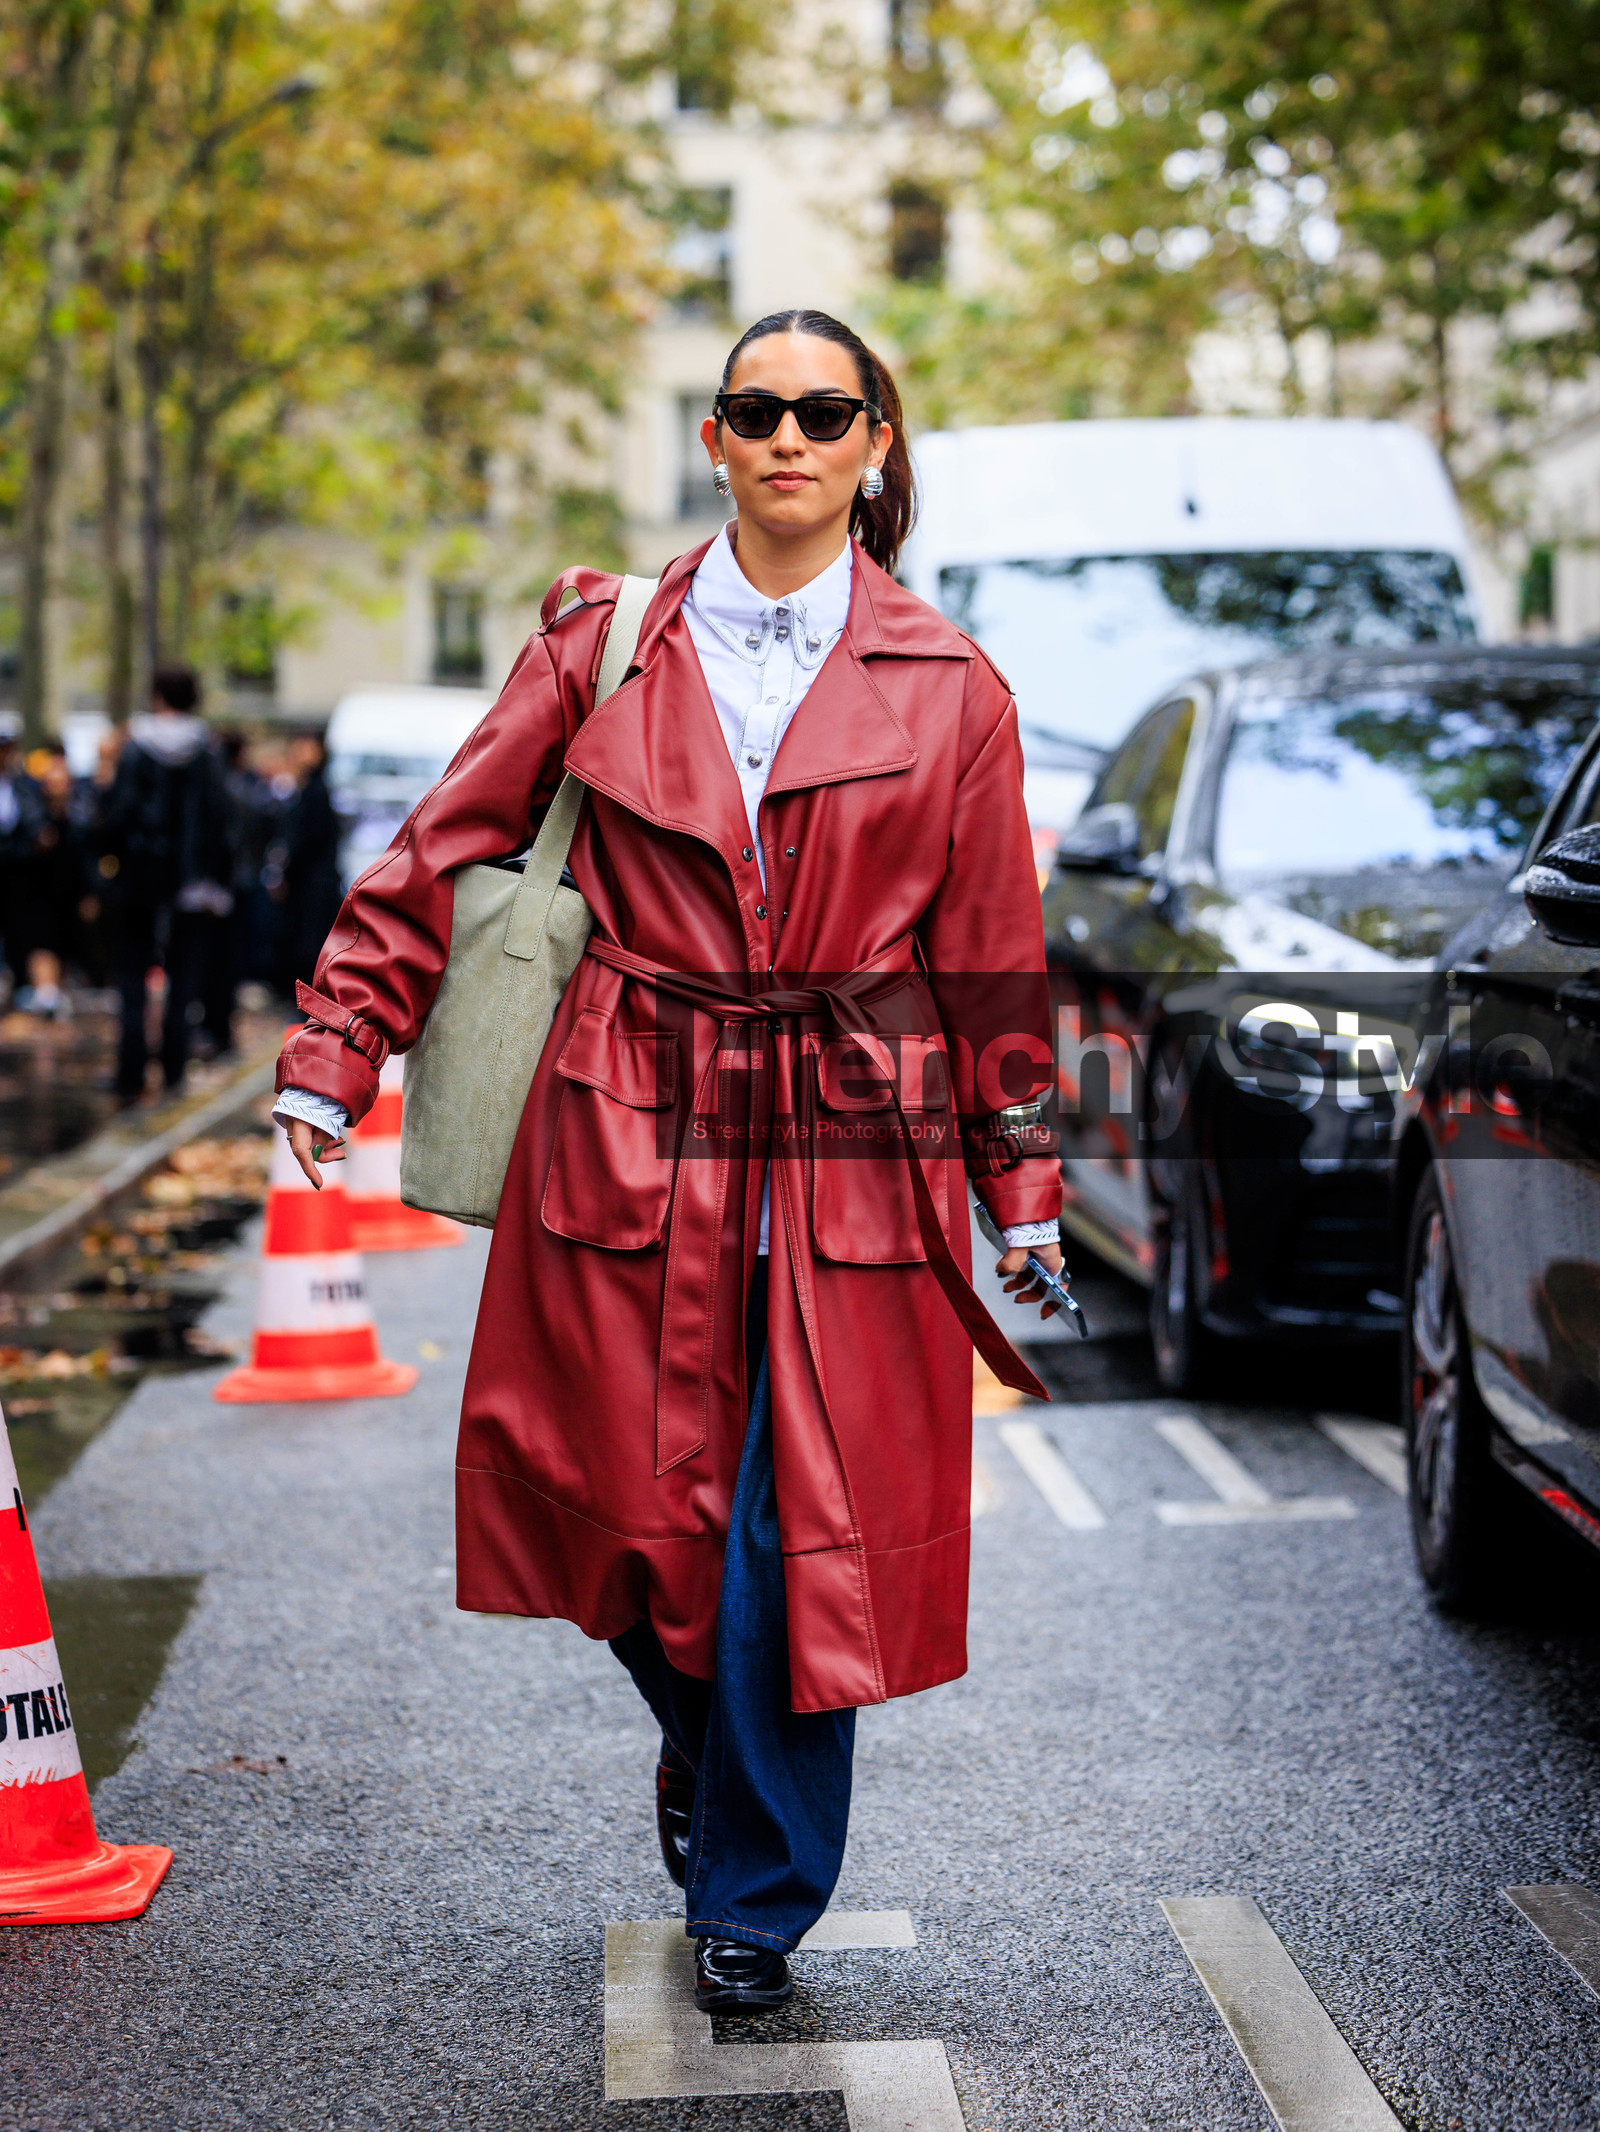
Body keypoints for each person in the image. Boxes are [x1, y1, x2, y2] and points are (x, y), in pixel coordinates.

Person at [271, 309, 1064, 2012]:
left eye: (825, 409)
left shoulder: (953, 686)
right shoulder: (606, 643)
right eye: (755, 408)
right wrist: (341, 1051)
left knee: (800, 1532)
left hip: (848, 1143)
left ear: (875, 448)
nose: (789, 433)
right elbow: (443, 850)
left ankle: (755, 1898)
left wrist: (1025, 1191)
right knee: (628, 1518)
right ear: (714, 440)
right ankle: (709, 1747)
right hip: (623, 1116)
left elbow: (995, 957)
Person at [98, 664, 237, 1100]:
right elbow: (221, 820)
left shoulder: (135, 750)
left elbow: (117, 816)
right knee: (183, 981)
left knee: (132, 981)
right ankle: (174, 1071)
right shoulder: (207, 753)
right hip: (193, 889)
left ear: (156, 696)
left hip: (138, 883)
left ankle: (131, 1070)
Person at [272, 731, 343, 1005]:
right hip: (309, 882)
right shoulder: (309, 791)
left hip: (312, 884)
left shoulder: (315, 792)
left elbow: (306, 840)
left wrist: (288, 871)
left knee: (308, 943)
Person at [0, 720, 51, 1009]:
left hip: (17, 871)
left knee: (20, 929)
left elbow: (34, 820)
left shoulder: (23, 784)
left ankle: (22, 986)